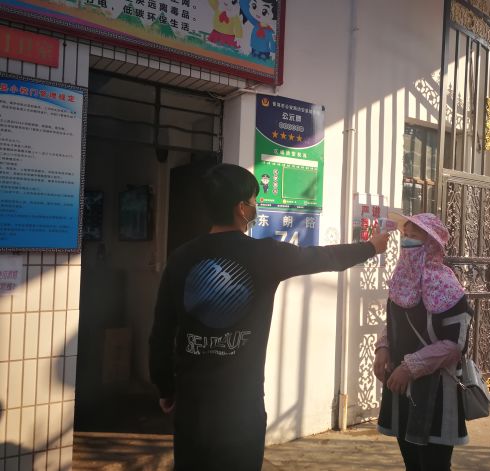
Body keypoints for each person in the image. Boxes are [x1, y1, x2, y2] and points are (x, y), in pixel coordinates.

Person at [149, 163, 390, 470]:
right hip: (241, 408)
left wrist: (165, 388)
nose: (256, 206)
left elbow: (160, 333)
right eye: (254, 200)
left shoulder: (180, 258)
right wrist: (370, 247)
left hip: (191, 406)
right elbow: (324, 257)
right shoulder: (265, 254)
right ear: (241, 208)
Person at [374, 212, 472, 471]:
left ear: (431, 242)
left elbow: (455, 344)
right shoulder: (400, 280)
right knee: (411, 463)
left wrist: (410, 367)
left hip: (436, 391)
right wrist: (382, 348)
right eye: (405, 235)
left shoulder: (447, 286)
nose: (406, 241)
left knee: (433, 464)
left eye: (414, 237)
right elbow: (392, 321)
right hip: (401, 388)